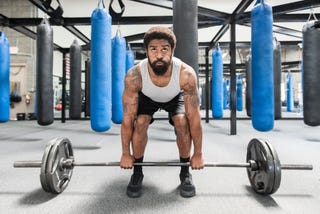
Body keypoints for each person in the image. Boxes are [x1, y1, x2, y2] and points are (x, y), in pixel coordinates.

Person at [120, 26, 204, 198]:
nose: (159, 55)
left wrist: (198, 154)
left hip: (174, 96)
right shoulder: (134, 76)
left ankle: (185, 172)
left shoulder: (186, 75)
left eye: (164, 49)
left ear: (172, 50)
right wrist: (125, 154)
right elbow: (127, 119)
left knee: (182, 122)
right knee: (140, 122)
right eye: (153, 49)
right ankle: (137, 172)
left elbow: (195, 119)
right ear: (146, 51)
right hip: (148, 97)